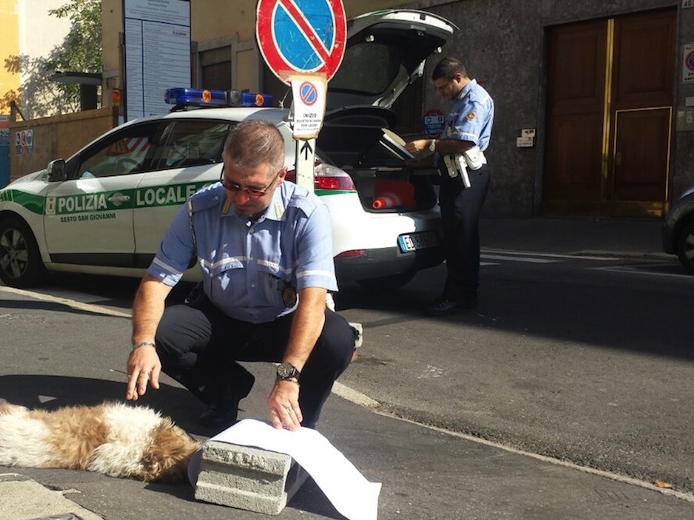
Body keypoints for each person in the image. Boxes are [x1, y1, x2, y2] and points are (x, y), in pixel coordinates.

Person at [125, 120, 356, 431]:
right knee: (159, 333)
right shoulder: (199, 210)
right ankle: (225, 391)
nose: (241, 199)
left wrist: (288, 375)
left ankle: (300, 420)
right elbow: (155, 282)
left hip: (283, 323)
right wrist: (143, 344)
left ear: (280, 177)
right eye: (232, 185)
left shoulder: (307, 214)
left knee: (337, 339)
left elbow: (313, 302)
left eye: (254, 189)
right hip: (222, 320)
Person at [406, 57, 494, 315]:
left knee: (460, 238)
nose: (440, 93)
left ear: (457, 78)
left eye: (443, 87)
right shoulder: (460, 100)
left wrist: (429, 144)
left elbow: (464, 142)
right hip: (456, 172)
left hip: (467, 175)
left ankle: (457, 296)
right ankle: (464, 294)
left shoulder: (474, 100)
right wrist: (424, 161)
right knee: (460, 236)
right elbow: (450, 142)